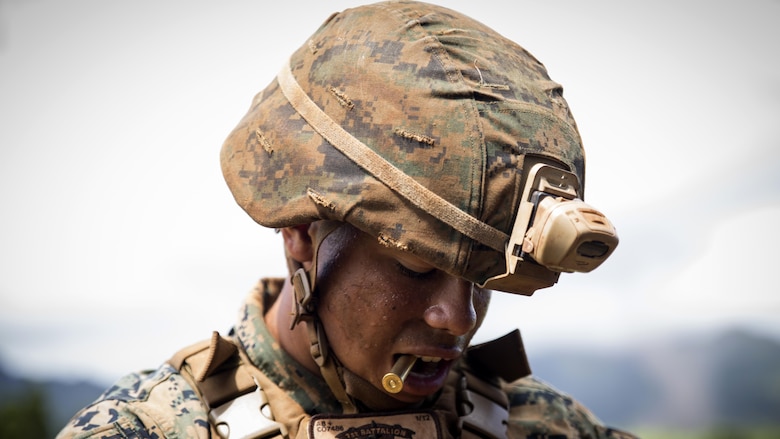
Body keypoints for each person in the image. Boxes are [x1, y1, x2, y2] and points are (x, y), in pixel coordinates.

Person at [58, 1, 636, 438]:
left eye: (483, 278)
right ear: (302, 233)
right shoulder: (146, 429)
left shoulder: (545, 427)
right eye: (416, 266)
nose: (457, 318)